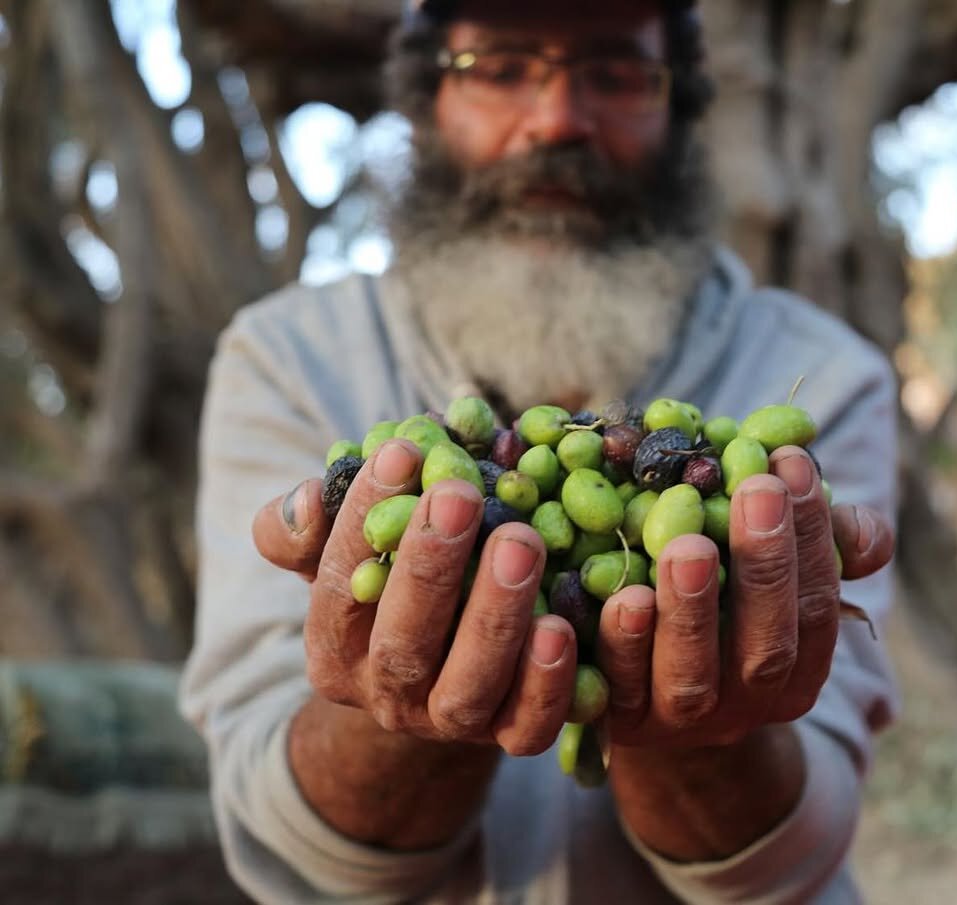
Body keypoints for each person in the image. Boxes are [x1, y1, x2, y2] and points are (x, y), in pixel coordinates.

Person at [179, 0, 900, 901]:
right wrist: (400, 706)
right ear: (425, 99)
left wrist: (707, 735)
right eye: (500, 64)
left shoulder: (823, 373)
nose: (557, 118)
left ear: (679, 108)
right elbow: (287, 841)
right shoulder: (286, 358)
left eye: (615, 70)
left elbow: (791, 856)